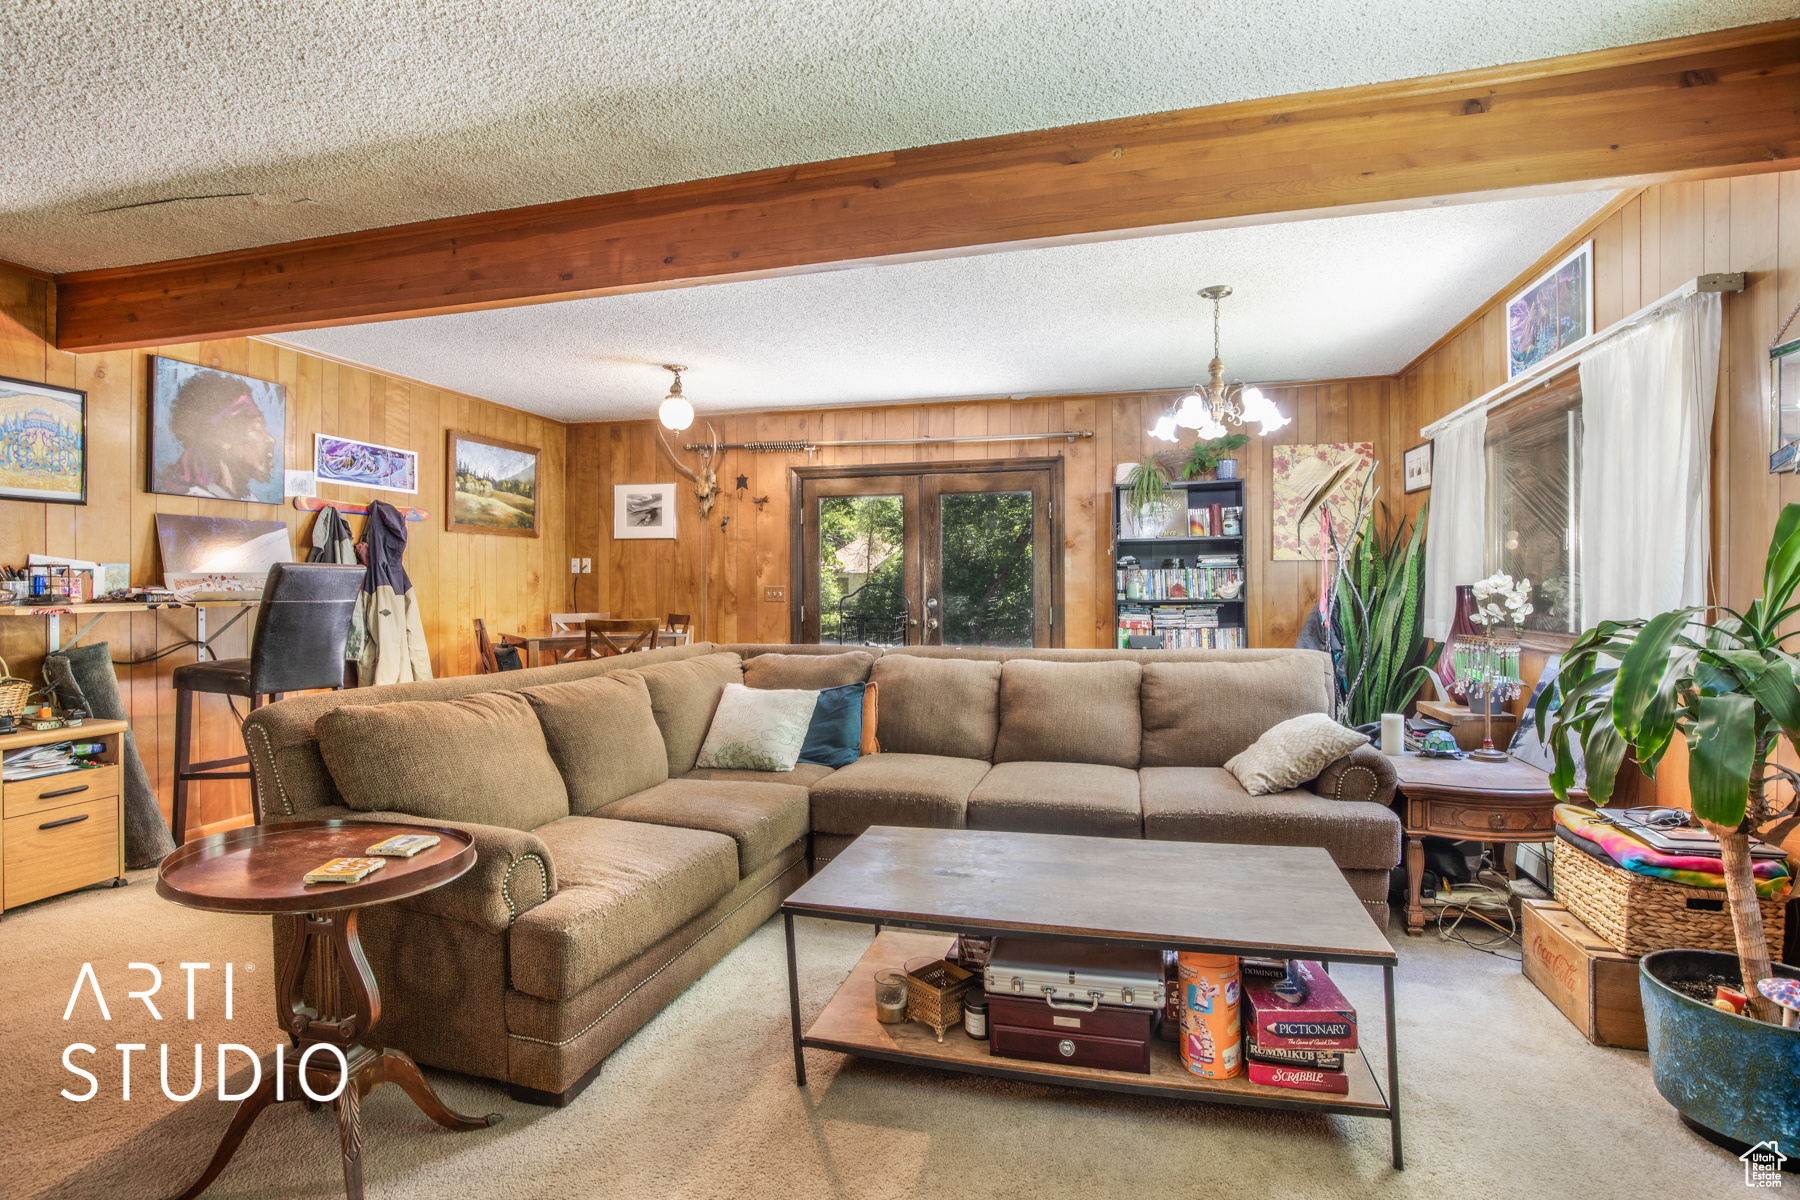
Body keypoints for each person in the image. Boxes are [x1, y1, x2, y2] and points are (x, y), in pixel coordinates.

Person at [156, 369, 277, 500]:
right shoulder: (189, 496)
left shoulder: (247, 498)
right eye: (257, 429)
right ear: (222, 440)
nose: (271, 440)